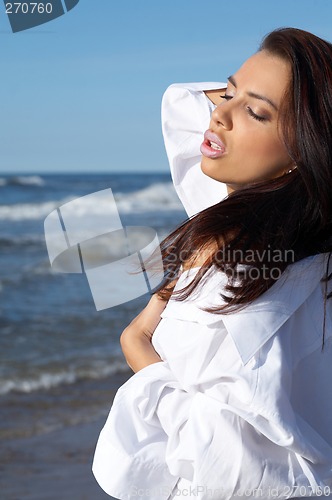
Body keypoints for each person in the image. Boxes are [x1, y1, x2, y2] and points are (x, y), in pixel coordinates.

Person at [92, 27, 332, 499]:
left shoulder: (250, 271)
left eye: (255, 112)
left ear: (303, 150)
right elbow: (182, 101)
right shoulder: (297, 239)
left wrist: (140, 352)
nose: (218, 114)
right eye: (226, 92)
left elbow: (232, 460)